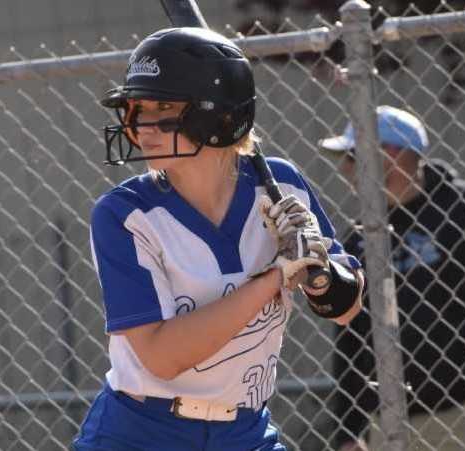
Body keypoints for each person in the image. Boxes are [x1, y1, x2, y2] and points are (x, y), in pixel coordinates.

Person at [73, 27, 364, 451]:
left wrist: (318, 274)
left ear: (220, 116)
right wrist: (274, 278)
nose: (141, 125)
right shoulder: (125, 214)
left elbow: (345, 308)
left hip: (245, 431)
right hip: (141, 431)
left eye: (164, 106)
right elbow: (162, 356)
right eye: (137, 108)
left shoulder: (281, 185)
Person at [319, 105, 465, 451]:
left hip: (463, 410)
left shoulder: (463, 210)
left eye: (352, 157)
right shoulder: (359, 240)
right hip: (390, 421)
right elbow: (350, 343)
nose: (345, 170)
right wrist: (349, 431)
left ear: (389, 154)